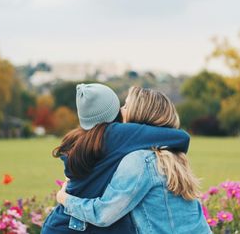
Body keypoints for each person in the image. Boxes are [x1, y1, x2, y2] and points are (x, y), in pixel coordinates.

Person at [56, 86, 212, 234]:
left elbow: (103, 214)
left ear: (138, 113)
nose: (120, 110)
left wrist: (65, 199)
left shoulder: (140, 160)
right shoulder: (171, 155)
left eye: (125, 106)